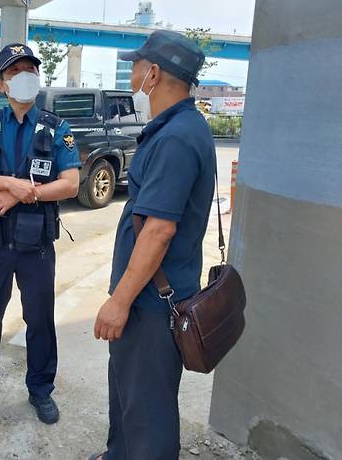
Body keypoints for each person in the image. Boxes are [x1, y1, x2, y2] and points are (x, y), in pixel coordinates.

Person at [88, 30, 215, 460]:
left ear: (154, 74)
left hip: (150, 303)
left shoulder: (177, 137)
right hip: (145, 298)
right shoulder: (175, 128)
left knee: (149, 413)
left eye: (135, 67)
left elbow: (159, 231)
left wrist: (119, 301)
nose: (131, 76)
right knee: (127, 397)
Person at [0, 43, 81, 424]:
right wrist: (11, 184)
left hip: (35, 245)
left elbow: (71, 184)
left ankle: (40, 389)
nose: (24, 77)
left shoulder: (57, 127)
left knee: (39, 318)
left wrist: (24, 195)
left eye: (30, 70)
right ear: (2, 84)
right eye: (15, 72)